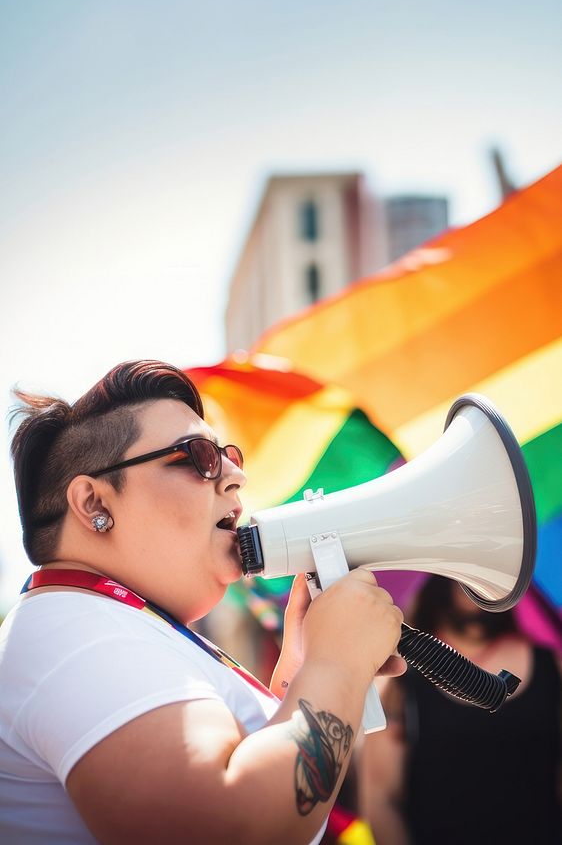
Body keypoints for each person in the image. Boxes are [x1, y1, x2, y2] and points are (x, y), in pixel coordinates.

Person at [0, 359, 405, 845]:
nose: (236, 476)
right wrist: (335, 665)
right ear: (94, 504)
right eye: (198, 457)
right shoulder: (78, 634)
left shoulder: (98, 625)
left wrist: (301, 681)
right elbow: (225, 828)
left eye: (228, 455)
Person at [358, 575, 562, 845]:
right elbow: (380, 798)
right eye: (462, 577)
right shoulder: (398, 679)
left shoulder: (550, 665)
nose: (474, 587)